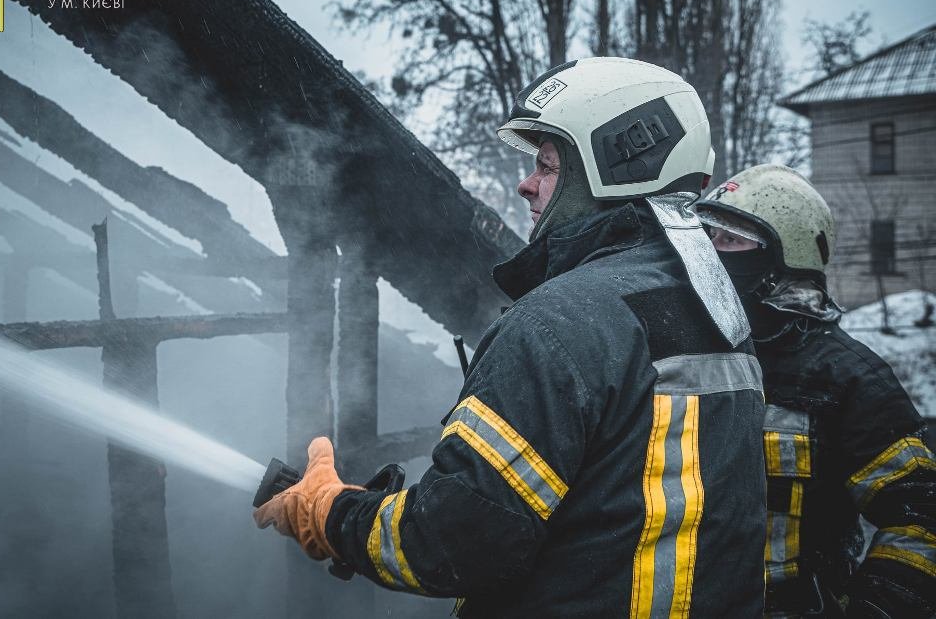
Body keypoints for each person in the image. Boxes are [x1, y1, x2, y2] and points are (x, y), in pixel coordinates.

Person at [255, 58, 767, 617]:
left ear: (612, 168)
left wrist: (329, 513)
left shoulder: (557, 324)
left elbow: (447, 545)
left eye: (548, 167)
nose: (525, 185)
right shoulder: (718, 312)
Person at [698, 164, 936, 619]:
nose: (711, 254)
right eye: (709, 237)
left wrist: (873, 609)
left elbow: (921, 517)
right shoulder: (691, 353)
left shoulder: (849, 378)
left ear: (783, 259)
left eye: (729, 240)